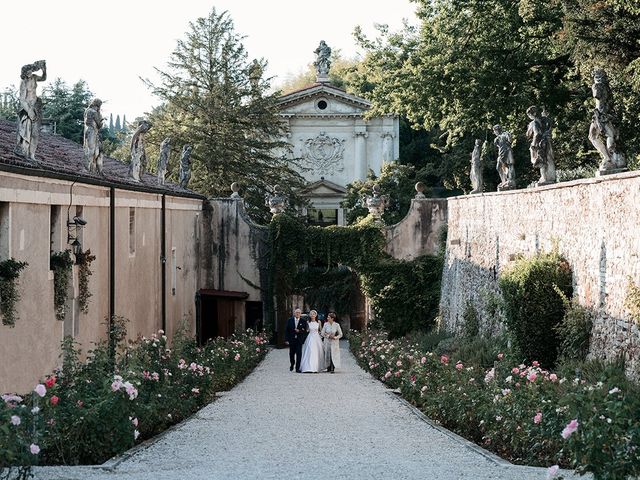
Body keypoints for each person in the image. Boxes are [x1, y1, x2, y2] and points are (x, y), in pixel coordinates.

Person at [15, 60, 46, 161]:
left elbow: (44, 78)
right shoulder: (23, 82)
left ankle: (32, 155)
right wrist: (29, 111)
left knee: (35, 133)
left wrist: (44, 69)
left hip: (35, 106)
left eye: (31, 70)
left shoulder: (34, 77)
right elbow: (22, 99)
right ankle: (24, 151)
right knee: (26, 131)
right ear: (25, 72)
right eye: (29, 70)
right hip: (27, 108)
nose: (30, 72)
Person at [285, 308, 307, 372]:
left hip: (299, 340)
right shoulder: (290, 320)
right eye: (296, 312)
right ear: (294, 313)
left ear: (300, 314)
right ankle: (292, 364)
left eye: (299, 313)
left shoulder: (303, 321)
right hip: (292, 340)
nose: (297, 314)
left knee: (299, 354)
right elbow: (287, 330)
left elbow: (305, 331)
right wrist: (286, 339)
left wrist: (299, 331)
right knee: (291, 354)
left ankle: (297, 368)